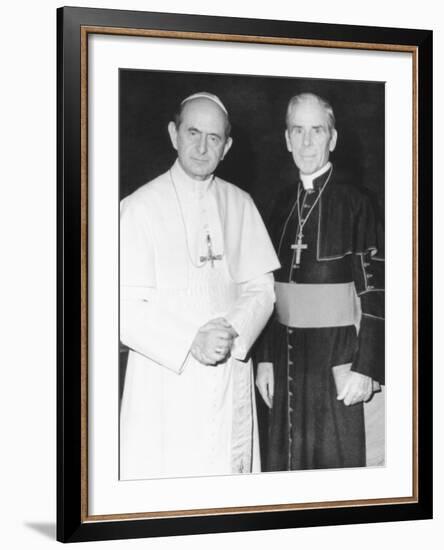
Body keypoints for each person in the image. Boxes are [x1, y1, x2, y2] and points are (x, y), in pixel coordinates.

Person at [119, 92, 280, 480]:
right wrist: (192, 339)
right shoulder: (138, 207)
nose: (202, 146)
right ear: (174, 134)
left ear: (226, 147)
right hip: (165, 381)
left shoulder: (240, 204)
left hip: (229, 373)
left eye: (214, 138)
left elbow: (262, 289)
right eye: (193, 133)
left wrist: (231, 331)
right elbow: (118, 306)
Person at [256, 92, 385, 471]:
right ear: (286, 139)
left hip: (337, 357)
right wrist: (265, 361)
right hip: (285, 357)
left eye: (317, 130)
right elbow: (268, 288)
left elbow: (376, 289)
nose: (307, 141)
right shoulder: (279, 203)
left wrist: (367, 366)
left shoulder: (357, 201)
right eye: (298, 130)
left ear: (333, 138)